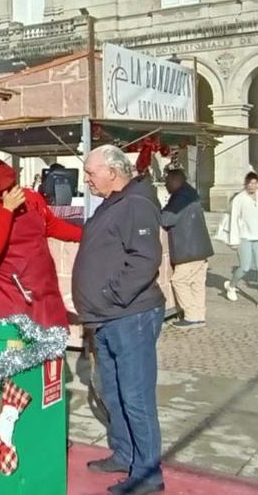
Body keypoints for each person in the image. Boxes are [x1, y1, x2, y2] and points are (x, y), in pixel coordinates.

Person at [74, 145, 165, 495]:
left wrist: (112, 295)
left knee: (136, 396)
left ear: (112, 171)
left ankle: (147, 474)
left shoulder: (136, 204)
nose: (87, 178)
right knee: (114, 392)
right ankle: (125, 453)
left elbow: (144, 259)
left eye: (90, 171)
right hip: (108, 318)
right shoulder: (113, 203)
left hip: (131, 315)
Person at [0, 158, 82, 327]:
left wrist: (85, 235)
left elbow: (52, 225)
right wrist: (7, 211)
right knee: (20, 342)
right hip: (13, 289)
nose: (10, 193)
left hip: (43, 283)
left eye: (12, 186)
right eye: (2, 191)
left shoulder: (31, 198)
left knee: (53, 337)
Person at [161, 170, 214, 328]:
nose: (165, 185)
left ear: (176, 180)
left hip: (188, 250)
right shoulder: (191, 194)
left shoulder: (180, 198)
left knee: (179, 281)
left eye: (167, 181)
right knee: (197, 283)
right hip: (200, 249)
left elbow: (166, 218)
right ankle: (199, 315)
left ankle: (191, 316)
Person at [226, 171, 258, 309]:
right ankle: (232, 285)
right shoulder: (239, 199)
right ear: (246, 184)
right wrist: (233, 240)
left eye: (255, 183)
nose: (252, 185)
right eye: (250, 183)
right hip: (245, 237)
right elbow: (233, 220)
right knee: (245, 267)